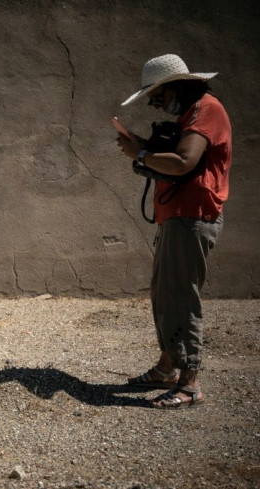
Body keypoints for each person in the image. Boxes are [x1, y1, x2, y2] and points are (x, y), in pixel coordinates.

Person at [117, 54, 231, 408]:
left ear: (175, 86)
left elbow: (184, 161)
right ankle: (168, 367)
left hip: (192, 215)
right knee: (165, 293)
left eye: (158, 96)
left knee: (181, 296)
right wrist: (145, 151)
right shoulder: (192, 113)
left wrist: (141, 153)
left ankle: (190, 382)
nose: (157, 104)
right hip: (178, 216)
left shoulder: (206, 110)